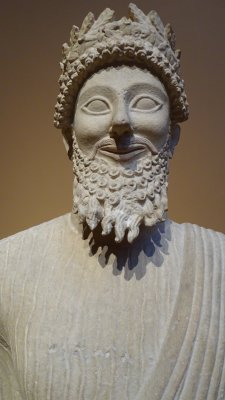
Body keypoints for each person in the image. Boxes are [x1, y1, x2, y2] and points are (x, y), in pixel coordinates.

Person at [0, 4, 224, 399]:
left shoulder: (219, 266)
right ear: (69, 139)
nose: (120, 122)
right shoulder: (8, 268)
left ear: (172, 137)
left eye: (145, 103)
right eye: (97, 105)